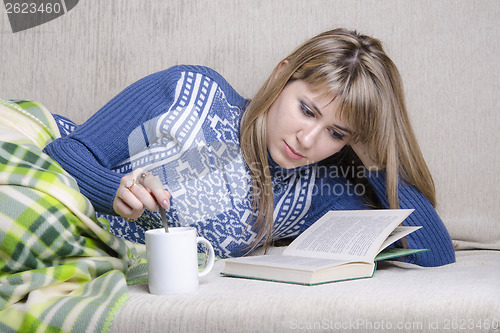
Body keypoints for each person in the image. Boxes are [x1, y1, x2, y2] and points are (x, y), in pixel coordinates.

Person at [44, 28, 455, 266]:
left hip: (94, 256)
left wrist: (374, 155)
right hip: (41, 169)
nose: (308, 141)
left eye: (337, 133)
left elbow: (432, 253)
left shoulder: (317, 189)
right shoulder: (189, 91)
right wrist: (113, 190)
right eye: (307, 111)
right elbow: (66, 153)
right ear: (281, 76)